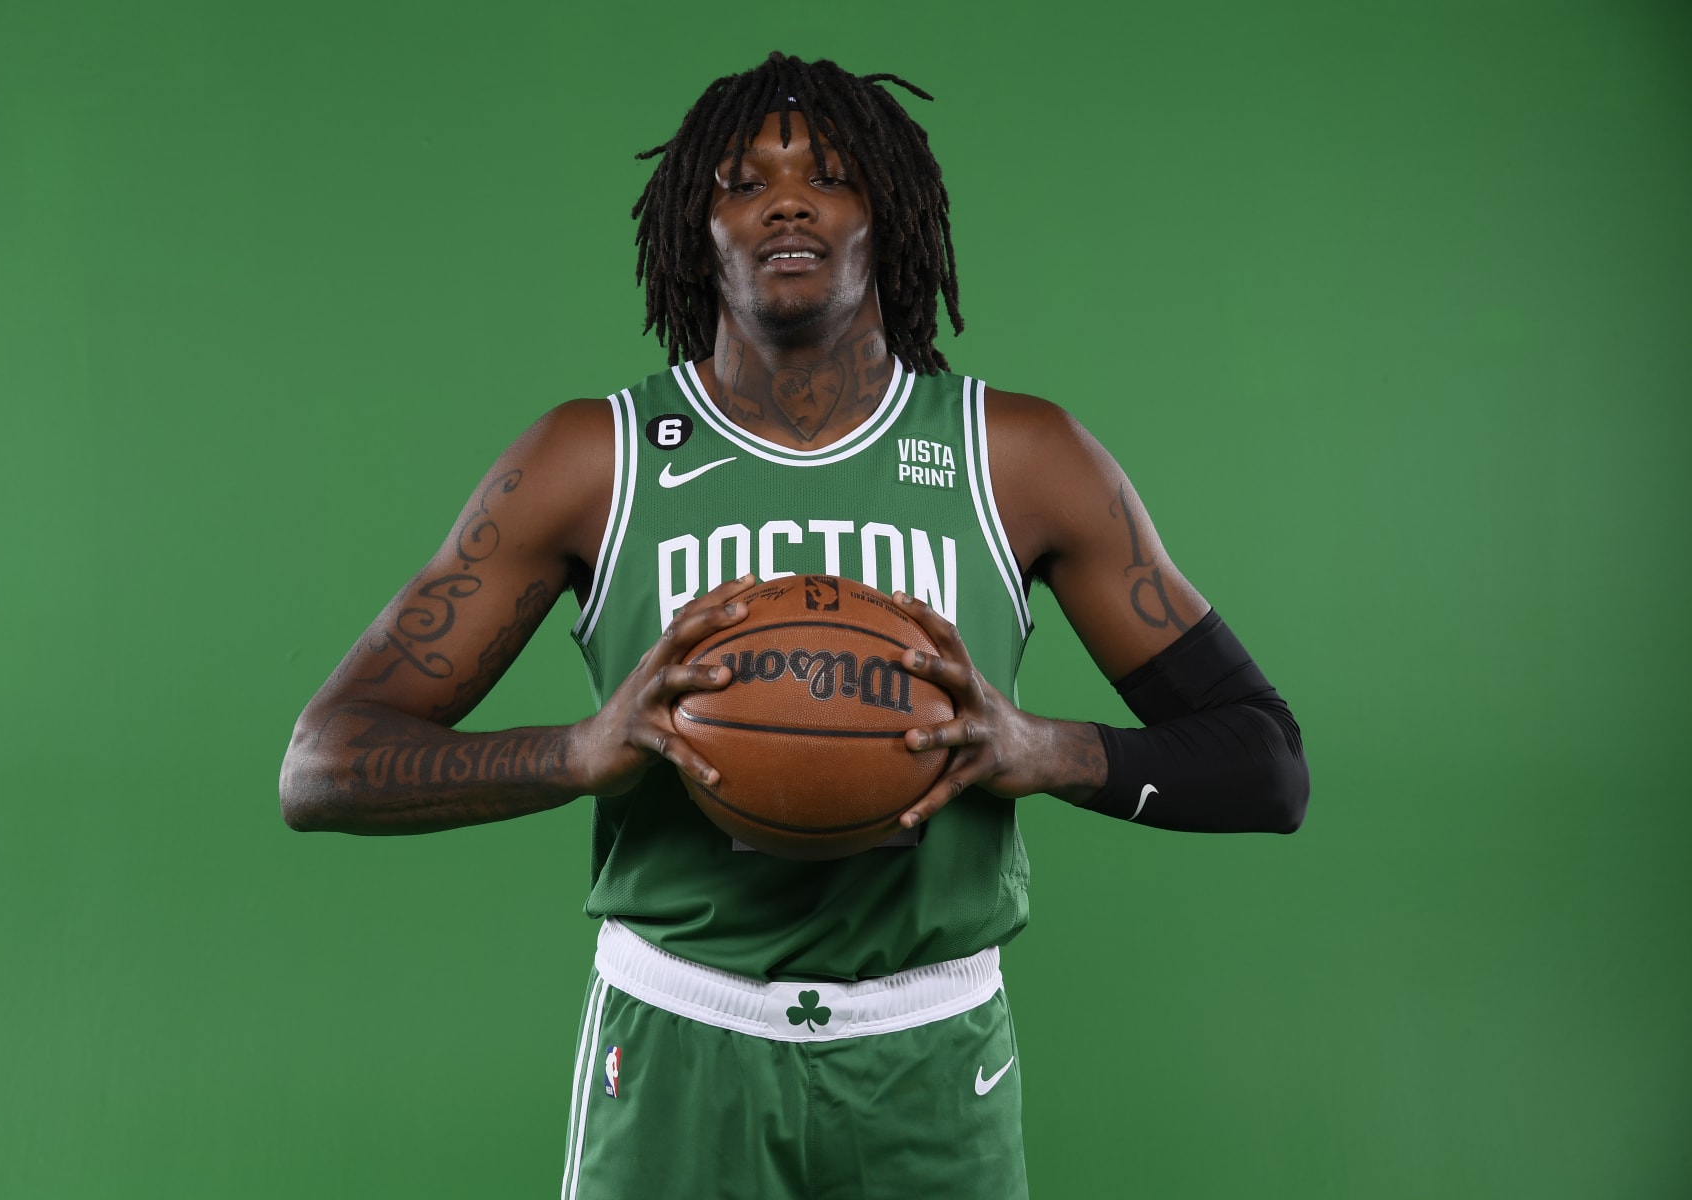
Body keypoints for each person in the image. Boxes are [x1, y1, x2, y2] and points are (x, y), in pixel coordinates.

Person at [279, 51, 1308, 1200]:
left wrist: (1041, 748)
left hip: (934, 1048)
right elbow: (323, 766)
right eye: (738, 179)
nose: (785, 199)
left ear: (893, 216)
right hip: (678, 1036)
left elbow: (1267, 767)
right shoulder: (591, 462)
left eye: (830, 174)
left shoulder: (1020, 460)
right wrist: (575, 753)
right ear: (693, 229)